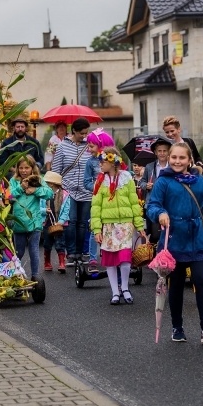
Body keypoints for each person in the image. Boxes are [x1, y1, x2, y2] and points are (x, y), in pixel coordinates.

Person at [146, 142, 203, 343]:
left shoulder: (199, 181)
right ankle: (177, 327)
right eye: (174, 157)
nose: (177, 161)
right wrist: (161, 213)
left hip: (197, 240)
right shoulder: (163, 182)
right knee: (175, 284)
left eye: (181, 158)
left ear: (189, 160)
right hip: (174, 241)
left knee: (201, 280)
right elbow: (152, 206)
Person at [90, 147, 146, 305]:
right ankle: (115, 291)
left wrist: (139, 225)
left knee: (125, 257)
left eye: (103, 161)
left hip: (126, 224)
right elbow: (95, 206)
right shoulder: (100, 181)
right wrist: (96, 229)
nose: (100, 164)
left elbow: (135, 203)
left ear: (113, 162)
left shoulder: (127, 178)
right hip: (108, 225)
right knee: (110, 258)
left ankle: (125, 288)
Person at [50, 118, 92, 264]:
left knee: (82, 223)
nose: (84, 136)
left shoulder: (89, 146)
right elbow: (56, 169)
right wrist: (57, 189)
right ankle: (71, 253)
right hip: (68, 189)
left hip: (86, 190)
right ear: (74, 130)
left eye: (86, 133)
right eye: (81, 133)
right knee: (71, 221)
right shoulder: (62, 146)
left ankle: (80, 253)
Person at [9, 155, 53, 279]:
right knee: (19, 251)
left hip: (34, 222)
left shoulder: (38, 180)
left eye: (27, 168)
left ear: (32, 168)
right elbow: (9, 198)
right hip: (19, 222)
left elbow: (49, 193)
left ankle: (35, 276)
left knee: (34, 251)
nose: (24, 171)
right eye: (21, 168)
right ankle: (14, 274)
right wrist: (21, 188)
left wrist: (35, 190)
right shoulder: (14, 181)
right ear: (17, 169)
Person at [83, 128, 115, 272]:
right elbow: (86, 182)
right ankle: (93, 259)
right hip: (98, 200)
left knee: (114, 228)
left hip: (113, 201)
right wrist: (96, 185)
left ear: (101, 145)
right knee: (94, 228)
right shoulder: (90, 163)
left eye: (91, 146)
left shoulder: (113, 160)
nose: (89, 149)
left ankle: (114, 255)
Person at [139, 137, 172, 244]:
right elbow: (141, 182)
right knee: (155, 233)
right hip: (152, 203)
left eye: (164, 151)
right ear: (155, 152)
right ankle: (154, 256)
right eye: (159, 151)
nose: (162, 153)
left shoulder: (172, 166)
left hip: (168, 203)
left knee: (168, 232)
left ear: (168, 152)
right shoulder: (149, 167)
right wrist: (146, 185)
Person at [42, 171, 70, 273]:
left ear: (51, 184)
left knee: (60, 243)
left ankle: (62, 262)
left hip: (59, 224)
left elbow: (66, 209)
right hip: (47, 222)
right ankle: (47, 262)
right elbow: (39, 206)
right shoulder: (43, 194)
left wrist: (61, 221)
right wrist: (44, 210)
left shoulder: (65, 195)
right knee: (47, 243)